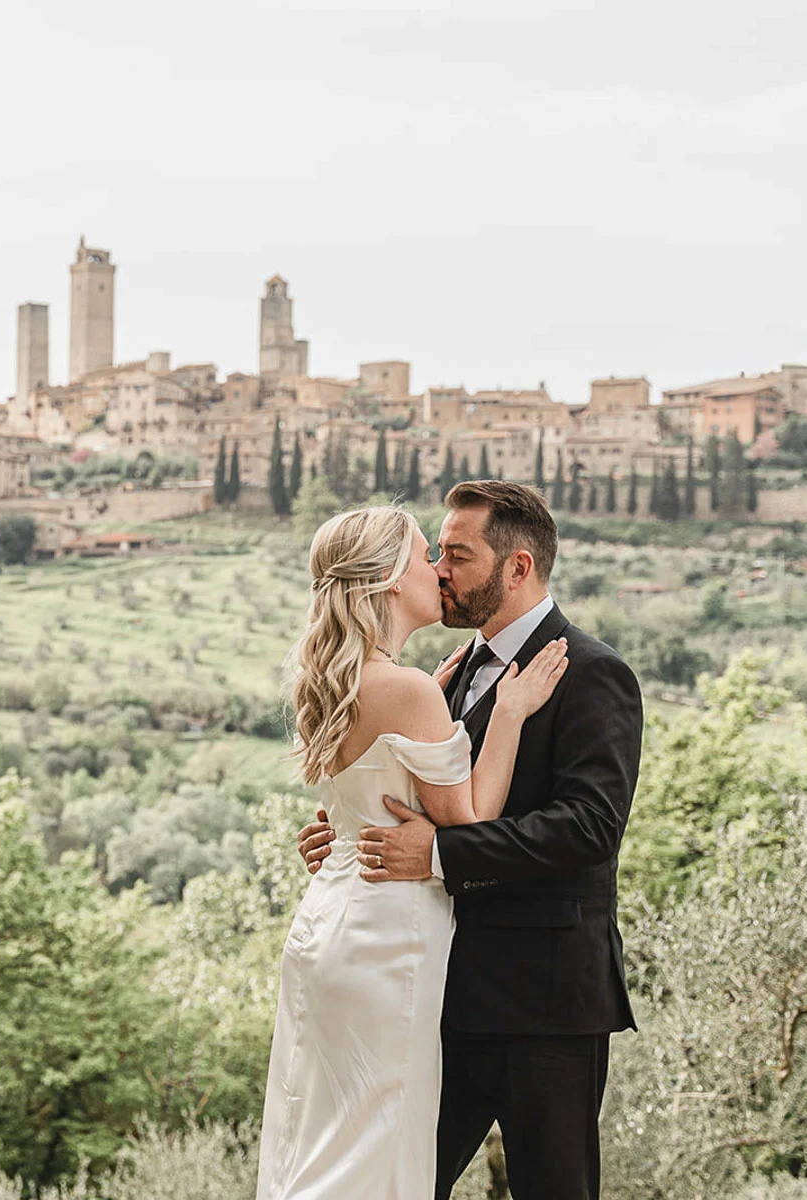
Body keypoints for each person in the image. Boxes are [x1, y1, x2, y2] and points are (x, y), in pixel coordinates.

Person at [298, 480, 644, 1199]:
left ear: (517, 568)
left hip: (545, 1002)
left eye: (457, 554)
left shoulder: (593, 673)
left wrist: (436, 855)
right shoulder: (441, 680)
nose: (440, 571)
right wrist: (347, 833)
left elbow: (589, 827)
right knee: (399, 1182)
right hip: (436, 993)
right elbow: (410, 789)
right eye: (438, 554)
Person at [256, 504, 569, 1200]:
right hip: (386, 939)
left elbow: (357, 802)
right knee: (371, 1149)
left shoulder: (340, 678)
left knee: (321, 1135)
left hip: (329, 923)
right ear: (392, 580)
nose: (437, 570)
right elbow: (470, 818)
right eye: (427, 555)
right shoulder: (405, 689)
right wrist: (510, 714)